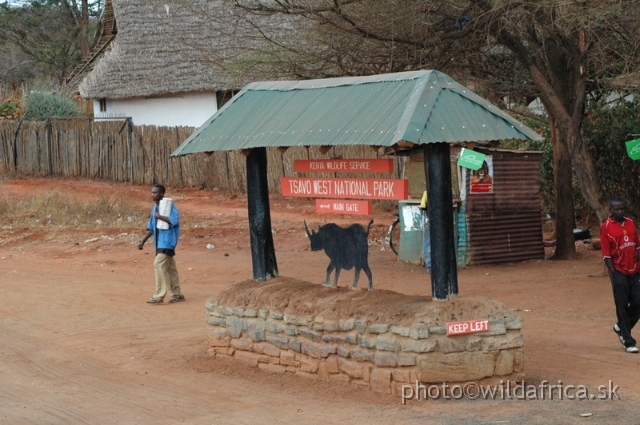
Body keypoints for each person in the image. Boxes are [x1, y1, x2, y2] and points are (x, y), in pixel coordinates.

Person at [600, 198, 640, 353]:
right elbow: (606, 253)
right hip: (618, 271)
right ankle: (628, 341)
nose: (621, 211)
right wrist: (614, 273)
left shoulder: (630, 222)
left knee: (638, 303)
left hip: (634, 269)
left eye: (623, 208)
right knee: (622, 305)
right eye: (617, 209)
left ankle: (620, 327)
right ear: (611, 210)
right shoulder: (606, 227)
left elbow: (637, 245)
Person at [138, 184, 185, 304]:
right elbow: (151, 227)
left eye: (155, 193)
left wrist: (160, 216)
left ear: (162, 194)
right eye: (152, 192)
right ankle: (177, 294)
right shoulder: (155, 208)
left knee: (158, 264)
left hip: (168, 242)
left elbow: (174, 220)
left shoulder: (170, 206)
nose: (152, 194)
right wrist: (143, 241)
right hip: (159, 243)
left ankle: (159, 296)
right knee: (170, 269)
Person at [420, 190, 432, 274]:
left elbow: (423, 206)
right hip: (442, 223)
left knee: (428, 244)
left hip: (430, 222)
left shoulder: (427, 192)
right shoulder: (445, 190)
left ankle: (430, 266)